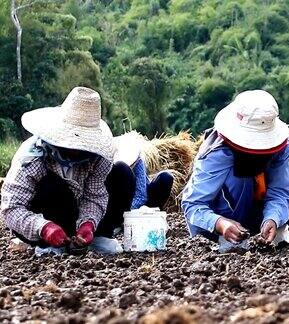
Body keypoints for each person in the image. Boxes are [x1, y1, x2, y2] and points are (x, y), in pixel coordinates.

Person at [181, 90, 289, 249]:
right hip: (220, 219)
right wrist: (220, 224)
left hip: (255, 210)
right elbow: (193, 204)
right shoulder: (218, 152)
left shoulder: (281, 147)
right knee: (241, 178)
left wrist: (272, 219)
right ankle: (232, 240)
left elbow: (280, 191)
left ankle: (271, 231)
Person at [0, 87, 115, 251]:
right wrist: (43, 227)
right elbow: (11, 209)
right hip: (42, 217)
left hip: (75, 214)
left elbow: (94, 195)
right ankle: (50, 242)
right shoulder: (32, 157)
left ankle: (86, 239)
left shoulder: (97, 158)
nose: (76, 149)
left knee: (122, 173)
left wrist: (88, 223)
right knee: (55, 187)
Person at [96, 132, 175, 238]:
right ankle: (115, 223)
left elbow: (141, 195)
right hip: (119, 204)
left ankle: (147, 220)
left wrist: (131, 215)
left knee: (166, 178)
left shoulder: (137, 160)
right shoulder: (107, 166)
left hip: (141, 206)